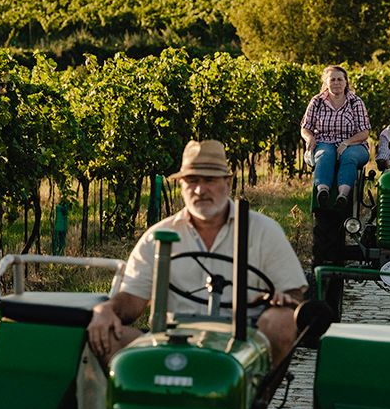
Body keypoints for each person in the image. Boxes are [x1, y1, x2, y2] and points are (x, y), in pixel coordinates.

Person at [87, 139, 307, 362]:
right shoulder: (158, 235)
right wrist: (107, 309)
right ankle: (134, 396)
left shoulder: (264, 230)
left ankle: (258, 395)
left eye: (210, 180)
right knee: (105, 333)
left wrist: (282, 300)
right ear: (181, 185)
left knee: (283, 321)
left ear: (227, 183)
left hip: (244, 341)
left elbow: (293, 296)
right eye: (192, 181)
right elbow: (132, 300)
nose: (201, 190)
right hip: (171, 337)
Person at [300, 64, 371, 207]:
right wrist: (310, 138)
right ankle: (323, 192)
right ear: (326, 82)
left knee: (349, 157)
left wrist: (347, 143)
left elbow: (364, 132)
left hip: (354, 144)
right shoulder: (317, 101)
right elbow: (305, 128)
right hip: (324, 141)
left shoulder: (355, 102)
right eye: (332, 80)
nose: (336, 83)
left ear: (346, 82)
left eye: (340, 79)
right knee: (325, 154)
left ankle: (343, 195)